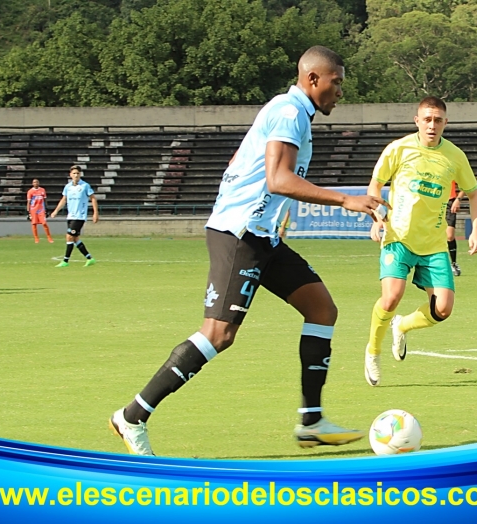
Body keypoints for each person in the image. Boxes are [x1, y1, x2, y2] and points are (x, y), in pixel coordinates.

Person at [109, 46, 387, 456]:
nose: (340, 91)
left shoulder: (290, 112)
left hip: (262, 235)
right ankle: (133, 415)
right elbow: (278, 179)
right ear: (313, 79)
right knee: (219, 334)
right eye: (336, 81)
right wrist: (345, 200)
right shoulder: (290, 113)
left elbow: (253, 170)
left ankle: (311, 420)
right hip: (240, 234)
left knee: (322, 309)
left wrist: (272, 217)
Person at [364, 96, 477, 387]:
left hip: (433, 244)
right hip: (399, 238)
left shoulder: (455, 156)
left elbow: (474, 193)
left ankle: (402, 326)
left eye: (438, 120)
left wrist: (476, 230)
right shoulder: (398, 148)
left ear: (445, 123)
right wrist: (377, 218)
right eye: (427, 119)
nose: (432, 125)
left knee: (443, 309)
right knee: (392, 296)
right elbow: (375, 185)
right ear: (417, 121)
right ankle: (373, 350)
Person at [50, 165, 98, 267]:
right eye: (74, 173)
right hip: (70, 216)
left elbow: (93, 198)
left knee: (69, 236)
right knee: (75, 239)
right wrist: (56, 211)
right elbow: (64, 200)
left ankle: (65, 261)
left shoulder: (85, 186)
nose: (76, 175)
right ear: (70, 175)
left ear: (80, 174)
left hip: (79, 216)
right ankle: (90, 258)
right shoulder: (68, 187)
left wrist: (95, 213)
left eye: (78, 173)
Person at [27, 178, 54, 244]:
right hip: (33, 210)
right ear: (32, 184)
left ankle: (49, 237)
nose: (35, 183)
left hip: (41, 209)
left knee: (44, 223)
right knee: (34, 224)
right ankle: (36, 238)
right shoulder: (30, 191)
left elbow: (45, 200)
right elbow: (29, 202)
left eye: (37, 182)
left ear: (38, 183)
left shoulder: (42, 190)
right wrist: (28, 212)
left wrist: (46, 209)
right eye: (34, 182)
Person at [446, 181, 464, 276]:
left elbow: (465, 185)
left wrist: (458, 199)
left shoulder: (452, 169)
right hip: (433, 202)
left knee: (450, 236)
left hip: (449, 202)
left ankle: (453, 263)